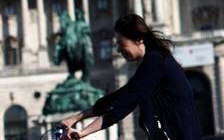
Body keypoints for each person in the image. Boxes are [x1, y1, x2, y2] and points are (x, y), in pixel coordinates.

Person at [60, 14, 202, 139]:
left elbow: (123, 105)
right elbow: (120, 96)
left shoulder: (155, 61)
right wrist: (77, 117)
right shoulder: (155, 59)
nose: (118, 50)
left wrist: (83, 132)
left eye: (121, 44)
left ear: (139, 39)